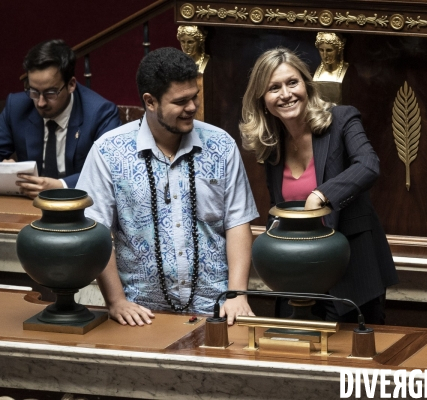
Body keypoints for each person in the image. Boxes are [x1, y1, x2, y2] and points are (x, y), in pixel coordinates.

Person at [76, 47, 258, 326]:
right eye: (181, 101)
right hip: (141, 315)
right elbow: (96, 231)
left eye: (194, 97)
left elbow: (237, 222)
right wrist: (116, 301)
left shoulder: (221, 146)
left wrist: (237, 295)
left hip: (218, 311)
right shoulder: (108, 152)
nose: (192, 107)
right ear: (150, 102)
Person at [239, 47, 398, 324]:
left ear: (306, 85)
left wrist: (321, 194)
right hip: (296, 277)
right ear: (263, 100)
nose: (286, 94)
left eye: (292, 82)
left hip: (352, 272)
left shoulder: (342, 119)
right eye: (274, 88)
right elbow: (277, 211)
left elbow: (368, 165)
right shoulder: (271, 143)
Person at [0, 39, 121, 197]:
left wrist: (60, 186)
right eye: (34, 92)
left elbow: (111, 170)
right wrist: (4, 169)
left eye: (50, 93)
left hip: (80, 206)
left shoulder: (100, 113)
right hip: (27, 205)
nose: (41, 103)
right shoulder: (16, 107)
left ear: (71, 84)